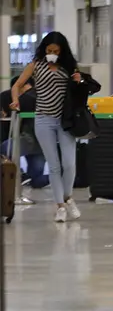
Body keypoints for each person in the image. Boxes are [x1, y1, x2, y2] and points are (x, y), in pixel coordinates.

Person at [12, 32, 83, 222]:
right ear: (44, 49)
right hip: (43, 119)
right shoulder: (35, 65)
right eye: (49, 50)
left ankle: (68, 197)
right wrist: (15, 101)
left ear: (62, 51)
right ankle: (60, 205)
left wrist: (79, 81)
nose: (51, 53)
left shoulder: (68, 67)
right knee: (54, 166)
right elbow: (17, 85)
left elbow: (79, 91)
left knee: (69, 164)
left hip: (65, 120)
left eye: (56, 51)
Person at [0, 76, 48, 188]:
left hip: (36, 140)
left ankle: (61, 177)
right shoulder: (5, 97)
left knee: (36, 180)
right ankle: (18, 174)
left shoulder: (36, 97)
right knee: (5, 150)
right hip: (23, 138)